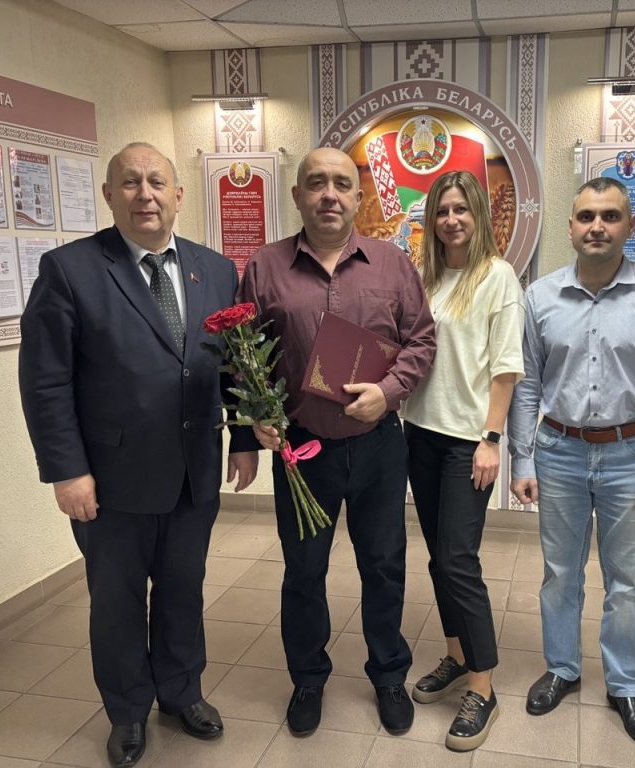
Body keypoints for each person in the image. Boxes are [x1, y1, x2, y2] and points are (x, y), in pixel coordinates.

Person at [19, 143, 257, 768]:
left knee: (183, 591)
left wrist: (245, 440)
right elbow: (45, 381)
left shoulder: (215, 270)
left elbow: (235, 364)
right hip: (110, 481)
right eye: (130, 183)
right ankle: (127, 711)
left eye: (156, 182)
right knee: (117, 603)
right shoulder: (69, 269)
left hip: (193, 473)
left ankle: (180, 693)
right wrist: (67, 470)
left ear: (178, 195)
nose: (144, 194)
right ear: (109, 195)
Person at [238, 148, 436, 738]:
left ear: (358, 196)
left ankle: (389, 674)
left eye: (342, 184)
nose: (329, 194)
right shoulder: (264, 266)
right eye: (317, 183)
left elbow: (421, 341)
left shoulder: (392, 264)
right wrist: (258, 416)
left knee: (384, 566)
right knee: (304, 571)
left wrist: (389, 391)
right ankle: (307, 678)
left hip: (378, 444)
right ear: (297, 195)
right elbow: (245, 352)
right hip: (303, 450)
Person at [509, 177, 635, 749]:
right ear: (570, 227)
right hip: (558, 452)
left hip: (631, 455)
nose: (597, 226)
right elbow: (526, 384)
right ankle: (562, 669)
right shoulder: (541, 297)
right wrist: (523, 458)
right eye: (587, 216)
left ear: (629, 226)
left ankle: (625, 685)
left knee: (626, 583)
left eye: (610, 216)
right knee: (559, 573)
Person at [400, 170, 524, 751]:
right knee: (438, 559)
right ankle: (455, 657)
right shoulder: (424, 278)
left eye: (461, 209)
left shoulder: (497, 277)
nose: (451, 220)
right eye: (442, 210)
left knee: (458, 561)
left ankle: (482, 687)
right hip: (419, 433)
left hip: (467, 442)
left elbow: (505, 366)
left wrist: (491, 438)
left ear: (479, 215)